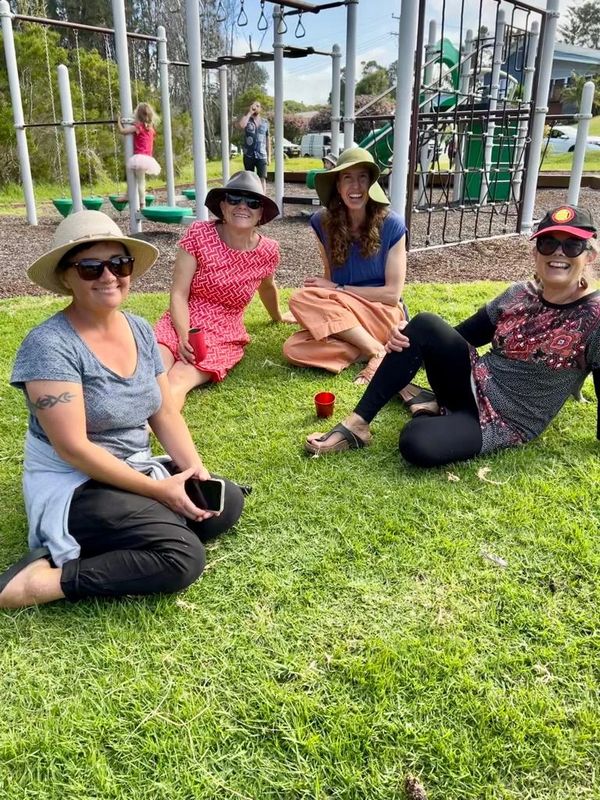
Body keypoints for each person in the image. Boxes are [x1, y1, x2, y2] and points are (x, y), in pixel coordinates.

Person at [0, 211, 244, 609]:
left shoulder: (139, 330)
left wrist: (191, 468)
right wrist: (158, 490)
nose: (108, 276)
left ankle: (131, 527)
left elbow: (164, 412)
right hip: (76, 484)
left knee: (225, 501)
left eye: (119, 263)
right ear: (66, 277)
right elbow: (74, 449)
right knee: (181, 556)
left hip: (130, 466)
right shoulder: (49, 346)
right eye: (90, 268)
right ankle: (39, 583)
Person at [305, 205, 600, 465]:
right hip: (473, 383)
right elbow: (461, 337)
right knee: (424, 324)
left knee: (416, 441)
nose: (559, 253)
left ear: (590, 255)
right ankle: (357, 425)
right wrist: (410, 341)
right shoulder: (519, 294)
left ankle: (424, 401)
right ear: (536, 252)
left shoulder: (595, 317)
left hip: (504, 421)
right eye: (549, 243)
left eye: (573, 245)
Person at [154, 171, 295, 411]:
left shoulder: (268, 251)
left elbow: (267, 287)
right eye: (234, 199)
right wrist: (182, 334)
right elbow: (178, 293)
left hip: (223, 330)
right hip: (180, 318)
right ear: (222, 205)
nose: (243, 206)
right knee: (151, 374)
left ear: (261, 213)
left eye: (252, 202)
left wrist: (278, 316)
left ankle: (141, 437)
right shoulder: (199, 233)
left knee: (178, 379)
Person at [283, 147, 408, 385]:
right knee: (293, 348)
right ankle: (371, 346)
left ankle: (376, 352)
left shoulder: (392, 224)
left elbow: (392, 295)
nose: (356, 186)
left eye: (362, 177)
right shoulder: (322, 222)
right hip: (351, 315)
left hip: (383, 313)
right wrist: (322, 305)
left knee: (300, 298)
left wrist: (337, 289)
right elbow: (329, 277)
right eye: (347, 178)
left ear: (371, 184)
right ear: (338, 186)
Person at [117, 102, 161, 209]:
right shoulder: (151, 129)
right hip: (148, 158)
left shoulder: (138, 127)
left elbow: (122, 131)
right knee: (139, 179)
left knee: (139, 180)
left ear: (138, 115)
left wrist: (118, 120)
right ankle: (133, 197)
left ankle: (142, 204)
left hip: (139, 157)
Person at [238, 101, 270, 192]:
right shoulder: (247, 119)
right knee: (250, 179)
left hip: (262, 154)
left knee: (262, 178)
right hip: (249, 155)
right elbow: (241, 125)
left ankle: (263, 199)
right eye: (254, 106)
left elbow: (268, 139)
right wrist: (249, 113)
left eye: (258, 106)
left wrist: (269, 156)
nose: (256, 107)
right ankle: (252, 196)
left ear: (261, 109)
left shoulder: (265, 122)